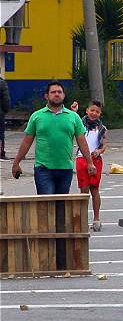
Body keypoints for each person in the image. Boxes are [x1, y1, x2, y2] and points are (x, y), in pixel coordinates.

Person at [12, 81, 95, 195]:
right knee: (46, 205)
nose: (57, 94)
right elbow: (27, 142)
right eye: (53, 92)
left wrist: (90, 162)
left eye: (59, 92)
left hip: (65, 169)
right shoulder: (37, 116)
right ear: (46, 96)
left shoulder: (73, 117)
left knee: (61, 207)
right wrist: (16, 163)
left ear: (63, 95)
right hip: (43, 169)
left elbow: (82, 141)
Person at [71, 100, 107, 231]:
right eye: (92, 110)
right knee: (84, 190)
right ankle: (82, 219)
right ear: (87, 111)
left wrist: (99, 151)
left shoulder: (102, 128)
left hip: (96, 160)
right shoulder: (80, 124)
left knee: (94, 189)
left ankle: (96, 218)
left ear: (100, 114)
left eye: (97, 112)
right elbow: (72, 122)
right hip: (81, 159)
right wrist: (74, 111)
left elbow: (104, 144)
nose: (94, 113)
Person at [0, 74, 10, 160]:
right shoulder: (2, 83)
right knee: (0, 133)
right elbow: (6, 100)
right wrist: (5, 110)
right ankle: (1, 153)